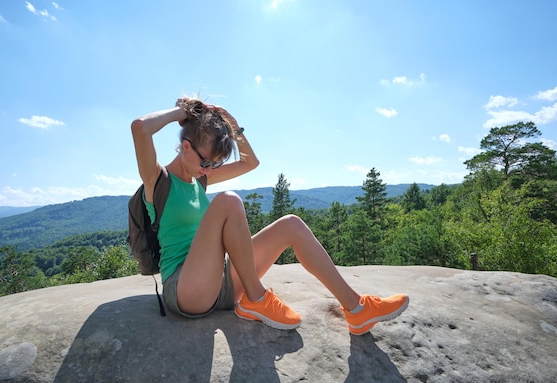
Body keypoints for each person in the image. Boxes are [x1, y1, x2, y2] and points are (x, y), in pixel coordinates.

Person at [131, 97, 408, 335]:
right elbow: (140, 128)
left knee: (292, 225)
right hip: (186, 290)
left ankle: (357, 309)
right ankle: (256, 297)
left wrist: (232, 123)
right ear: (186, 146)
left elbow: (250, 163)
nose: (209, 169)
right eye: (206, 162)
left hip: (221, 284)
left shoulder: (200, 181)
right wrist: (185, 111)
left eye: (216, 164)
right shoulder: (159, 181)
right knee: (228, 201)